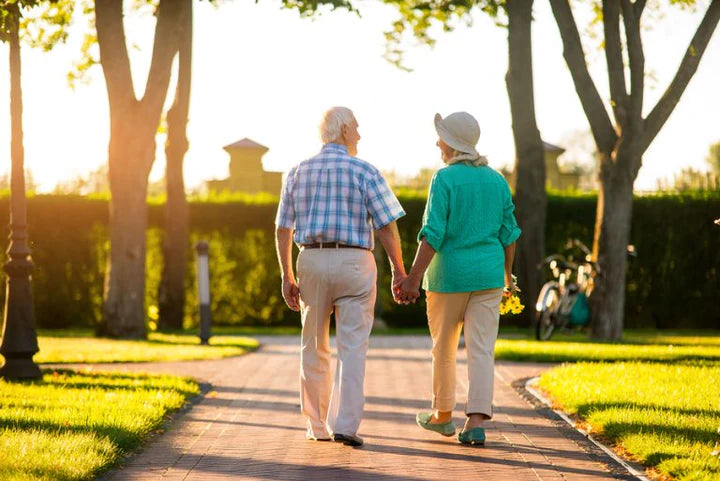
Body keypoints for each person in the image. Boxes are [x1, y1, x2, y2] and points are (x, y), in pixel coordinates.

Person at [275, 107, 407, 447]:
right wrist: (399, 270)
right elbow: (387, 227)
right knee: (353, 347)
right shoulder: (365, 171)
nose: (360, 136)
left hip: (312, 260)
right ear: (345, 129)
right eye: (358, 129)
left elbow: (282, 229)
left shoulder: (296, 172)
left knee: (313, 345)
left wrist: (286, 274)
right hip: (354, 261)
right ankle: (345, 425)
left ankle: (316, 426)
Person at [397, 111, 521, 446]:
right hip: (489, 276)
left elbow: (433, 233)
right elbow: (510, 235)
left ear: (451, 143)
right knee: (482, 349)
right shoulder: (497, 180)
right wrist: (508, 277)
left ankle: (442, 416)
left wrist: (412, 278)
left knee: (444, 349)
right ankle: (476, 423)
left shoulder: (444, 179)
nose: (437, 142)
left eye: (441, 137)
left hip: (449, 278)